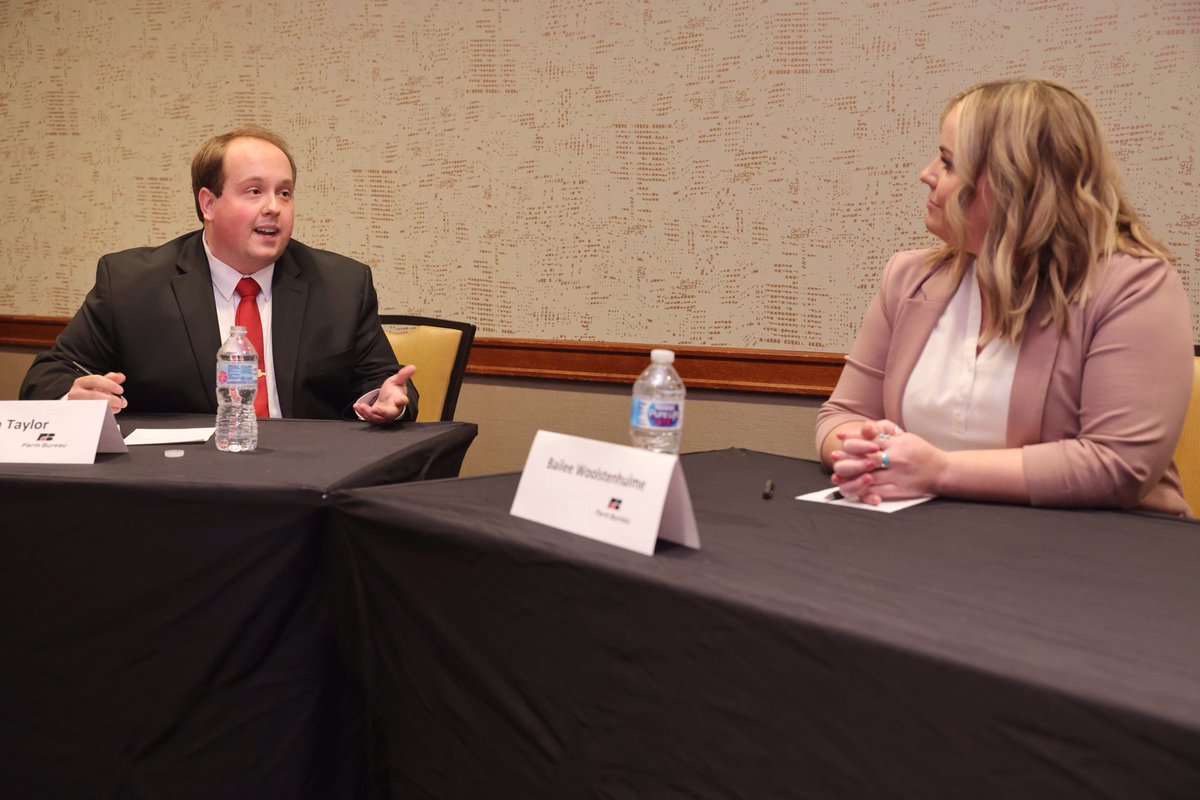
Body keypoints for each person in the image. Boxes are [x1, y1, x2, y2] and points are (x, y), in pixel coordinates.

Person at [816, 78, 1192, 515]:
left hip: (1095, 557)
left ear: (1012, 183)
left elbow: (1117, 465)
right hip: (928, 544)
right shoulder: (909, 277)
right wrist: (863, 451)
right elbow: (840, 415)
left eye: (948, 162)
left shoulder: (1135, 286)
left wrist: (938, 471)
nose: (927, 174)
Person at [20, 126, 417, 425]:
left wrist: (385, 400)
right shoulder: (130, 284)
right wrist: (74, 397)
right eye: (254, 191)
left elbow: (383, 381)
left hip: (309, 490)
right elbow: (48, 377)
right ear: (208, 203)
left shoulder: (342, 285)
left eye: (284, 193)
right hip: (181, 493)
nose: (274, 208)